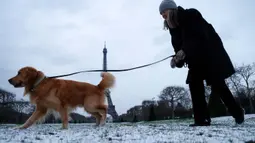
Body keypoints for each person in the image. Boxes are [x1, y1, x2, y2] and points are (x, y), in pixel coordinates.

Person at [158, 0, 245, 126]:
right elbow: (177, 48)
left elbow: (198, 36)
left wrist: (184, 51)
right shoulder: (173, 30)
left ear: (171, 9)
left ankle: (237, 113)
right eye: (160, 13)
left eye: (163, 11)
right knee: (194, 83)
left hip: (210, 55)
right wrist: (177, 60)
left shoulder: (191, 15)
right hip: (194, 60)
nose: (162, 15)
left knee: (218, 85)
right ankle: (201, 119)